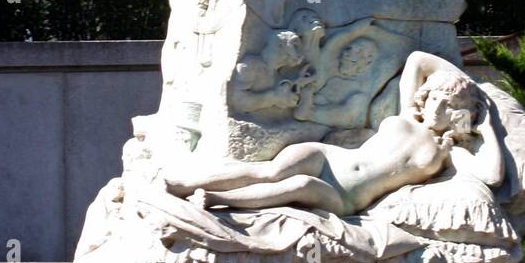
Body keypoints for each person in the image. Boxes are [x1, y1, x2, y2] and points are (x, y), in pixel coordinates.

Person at [164, 52, 505, 217]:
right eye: (433, 97)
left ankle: (215, 199)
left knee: (297, 186)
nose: (435, 107)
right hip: (331, 157)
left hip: (345, 197)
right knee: (268, 171)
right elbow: (417, 60)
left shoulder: (448, 153)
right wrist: (467, 83)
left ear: (459, 115)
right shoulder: (405, 115)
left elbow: (492, 175)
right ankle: (185, 183)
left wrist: (486, 123)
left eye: (447, 105)